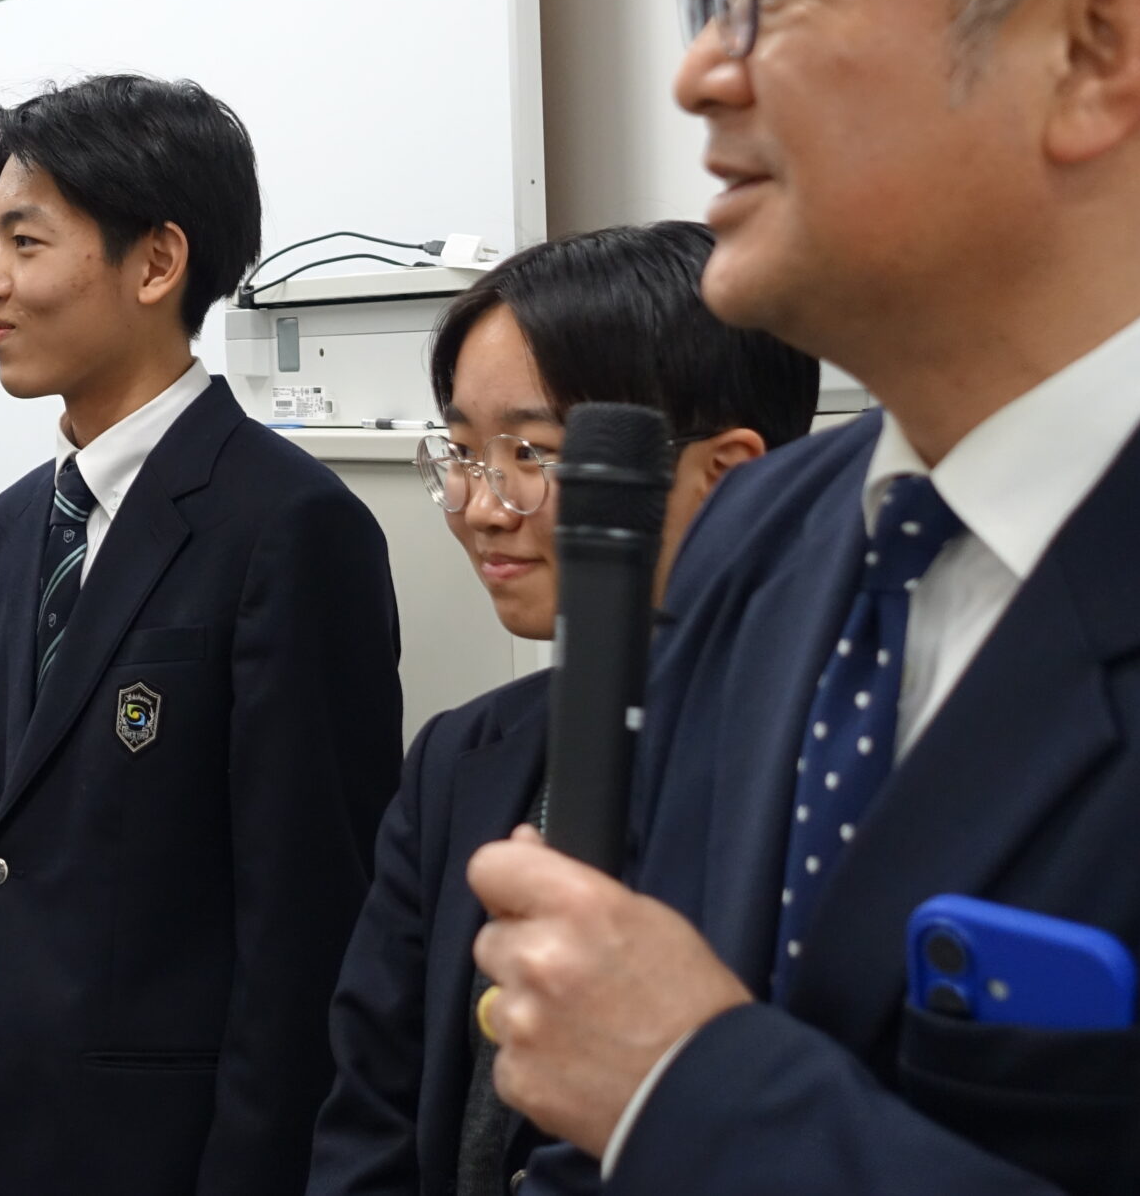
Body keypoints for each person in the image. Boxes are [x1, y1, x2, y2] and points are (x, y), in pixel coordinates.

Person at [465, 0, 1140, 1196]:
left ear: (1095, 48)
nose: (699, 73)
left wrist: (687, 1093)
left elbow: (646, 1062)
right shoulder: (769, 530)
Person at [0, 74, 405, 1196]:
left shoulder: (290, 528)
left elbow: (307, 930)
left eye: (26, 242)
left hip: (153, 1153)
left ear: (157, 262)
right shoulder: (16, 523)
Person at [307, 220, 818, 1196]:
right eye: (463, 452)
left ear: (728, 473)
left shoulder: (818, 769)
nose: (479, 504)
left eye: (532, 453)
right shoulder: (462, 758)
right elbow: (369, 1119)